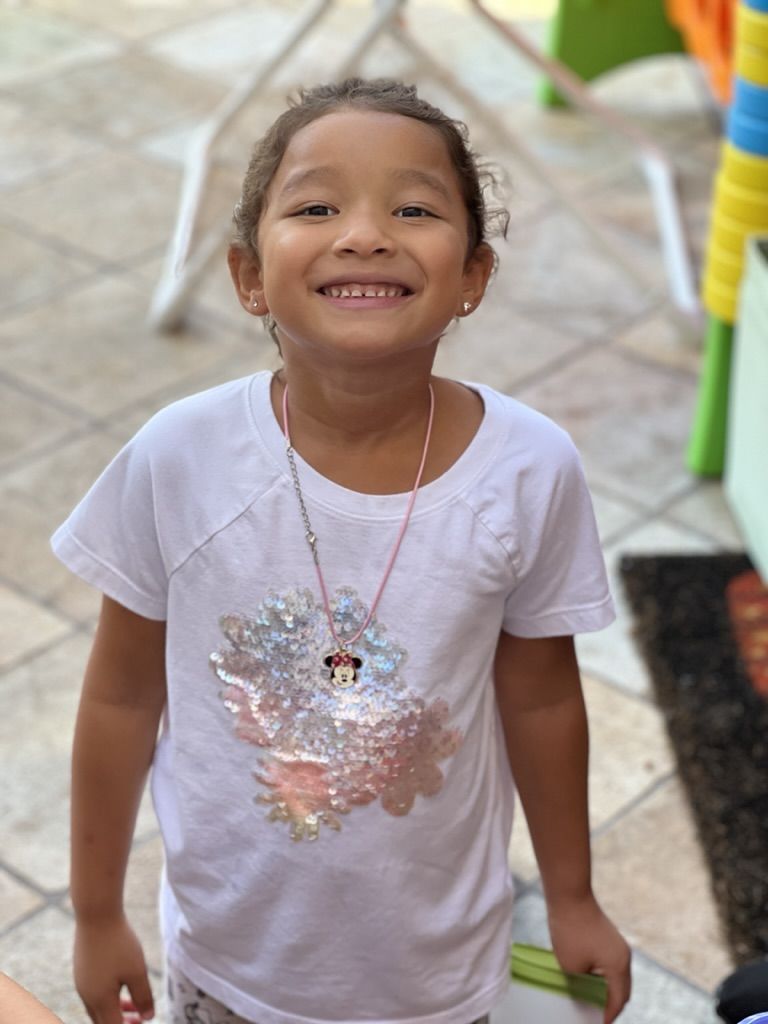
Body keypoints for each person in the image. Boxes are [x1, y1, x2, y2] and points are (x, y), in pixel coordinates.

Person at [52, 77, 631, 1024]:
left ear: (474, 275)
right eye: (317, 206)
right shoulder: (179, 459)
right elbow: (121, 695)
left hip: (440, 973)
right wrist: (93, 910)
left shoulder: (529, 471)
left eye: (413, 208)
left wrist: (571, 897)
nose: (365, 234)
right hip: (234, 967)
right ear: (248, 275)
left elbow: (542, 697)